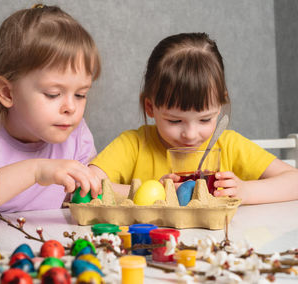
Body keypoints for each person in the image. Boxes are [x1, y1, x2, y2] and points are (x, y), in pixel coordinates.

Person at [89, 32, 298, 204]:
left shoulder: (229, 145)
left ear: (220, 106)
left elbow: (294, 181)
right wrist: (153, 191)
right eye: (174, 121)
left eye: (205, 119)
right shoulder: (134, 145)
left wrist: (246, 191)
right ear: (150, 107)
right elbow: (86, 188)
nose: (190, 134)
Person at [0, 4, 102, 212]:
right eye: (53, 94)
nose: (71, 107)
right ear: (8, 93)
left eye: (81, 95)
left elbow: (97, 191)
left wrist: (154, 191)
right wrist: (36, 170)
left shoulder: (77, 136)